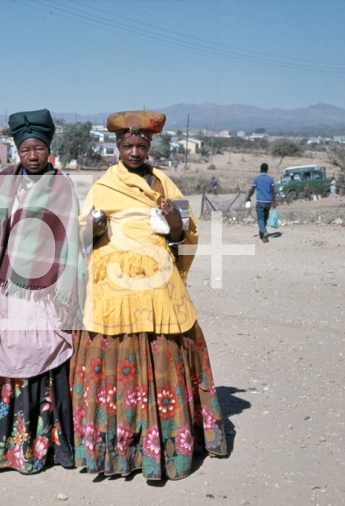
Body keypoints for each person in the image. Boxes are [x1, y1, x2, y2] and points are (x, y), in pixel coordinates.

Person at [71, 110, 227, 481]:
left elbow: (185, 235)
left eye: (142, 145)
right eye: (128, 145)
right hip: (113, 284)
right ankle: (118, 450)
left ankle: (168, 443)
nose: (136, 151)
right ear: (117, 147)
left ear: (150, 145)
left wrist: (175, 226)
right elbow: (79, 238)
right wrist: (92, 229)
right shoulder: (103, 185)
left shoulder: (165, 184)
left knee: (167, 346)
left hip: (158, 280)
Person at [0, 109, 84, 477]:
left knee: (38, 362)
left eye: (39, 149)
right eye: (26, 150)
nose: (33, 156)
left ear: (49, 149)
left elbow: (69, 243)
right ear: (17, 151)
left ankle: (31, 452)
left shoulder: (62, 187)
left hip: (42, 293)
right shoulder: (1, 182)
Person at [246, 163, 275, 243]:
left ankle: (264, 232)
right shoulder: (271, 179)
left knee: (260, 219)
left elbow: (252, 190)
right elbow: (272, 191)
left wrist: (248, 197)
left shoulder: (257, 179)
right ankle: (262, 234)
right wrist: (274, 202)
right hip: (268, 201)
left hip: (260, 201)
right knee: (265, 218)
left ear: (260, 169)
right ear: (267, 170)